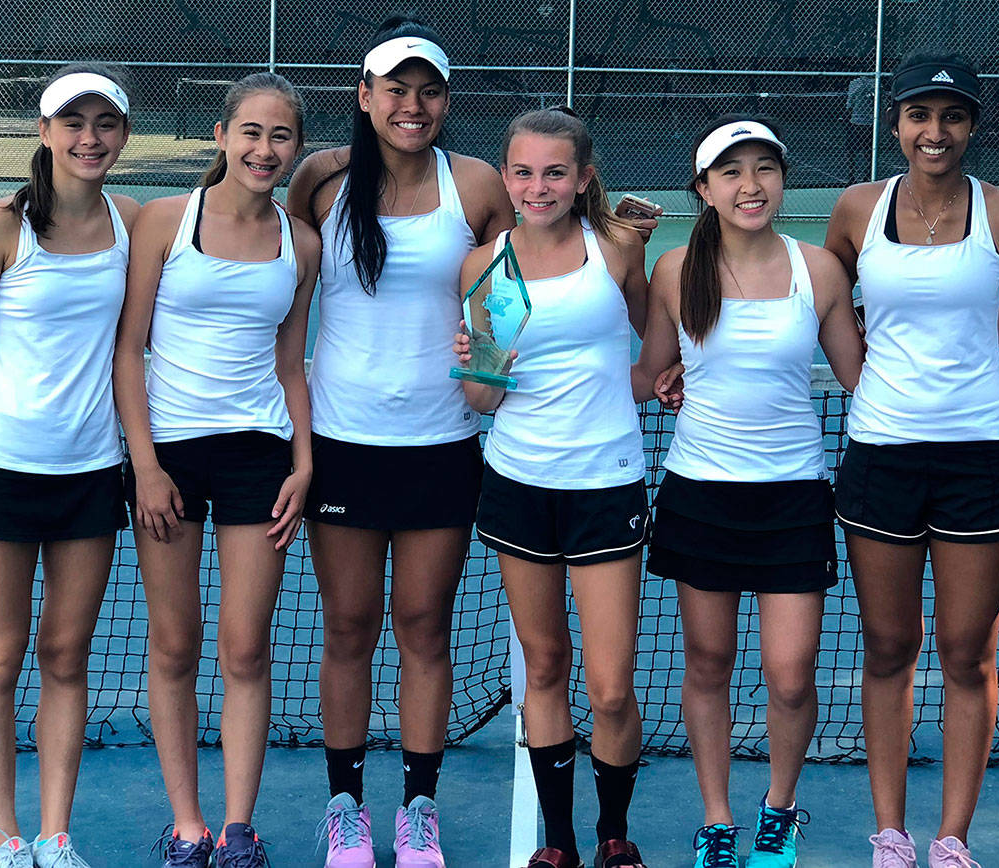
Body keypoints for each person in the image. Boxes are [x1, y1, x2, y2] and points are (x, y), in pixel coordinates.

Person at [283, 15, 516, 868]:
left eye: (428, 91)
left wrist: (489, 371)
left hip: (443, 445)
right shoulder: (320, 179)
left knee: (424, 627)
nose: (412, 105)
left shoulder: (480, 185)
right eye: (396, 89)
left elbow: (504, 298)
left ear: (445, 101)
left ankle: (419, 812)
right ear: (365, 96)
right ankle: (345, 810)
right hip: (342, 444)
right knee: (348, 627)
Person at [823, 52, 999, 867]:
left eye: (951, 116)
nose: (935, 131)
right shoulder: (854, 209)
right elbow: (814, 296)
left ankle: (952, 838)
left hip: (983, 455)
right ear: (896, 124)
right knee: (886, 647)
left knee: (966, 652)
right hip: (880, 453)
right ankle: (892, 834)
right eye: (920, 115)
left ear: (974, 125)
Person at [632, 114, 863, 868]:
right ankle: (718, 819)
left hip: (794, 497)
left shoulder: (819, 270)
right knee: (707, 663)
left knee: (791, 676)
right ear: (703, 190)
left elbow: (864, 378)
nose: (750, 185)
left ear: (782, 181)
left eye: (764, 168)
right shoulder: (674, 272)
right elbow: (650, 373)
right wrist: (519, 364)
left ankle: (779, 809)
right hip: (700, 494)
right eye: (731, 172)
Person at [112, 72, 318, 868]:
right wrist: (146, 464)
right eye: (252, 133)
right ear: (223, 135)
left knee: (246, 649)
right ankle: (188, 827)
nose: (265, 150)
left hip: (259, 460)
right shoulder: (165, 222)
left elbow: (291, 365)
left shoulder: (301, 244)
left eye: (282, 137)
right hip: (168, 460)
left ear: (295, 147)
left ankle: (238, 829)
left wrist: (303, 465)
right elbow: (129, 351)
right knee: (173, 645)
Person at [0, 63, 135, 868]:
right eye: (73, 122)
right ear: (46, 132)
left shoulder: (131, 220)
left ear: (122, 134)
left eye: (106, 124)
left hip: (93, 473)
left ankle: (55, 837)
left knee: (66, 656)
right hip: (5, 471)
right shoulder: (0, 224)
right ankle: (5, 840)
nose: (89, 138)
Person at [452, 106, 650, 868]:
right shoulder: (486, 268)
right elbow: (482, 401)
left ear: (583, 178)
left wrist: (648, 383)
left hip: (606, 484)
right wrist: (480, 367)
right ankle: (562, 844)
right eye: (525, 172)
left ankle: (614, 833)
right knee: (543, 668)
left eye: (556, 172)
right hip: (519, 485)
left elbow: (654, 349)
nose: (539, 187)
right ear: (507, 178)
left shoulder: (616, 251)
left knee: (609, 688)